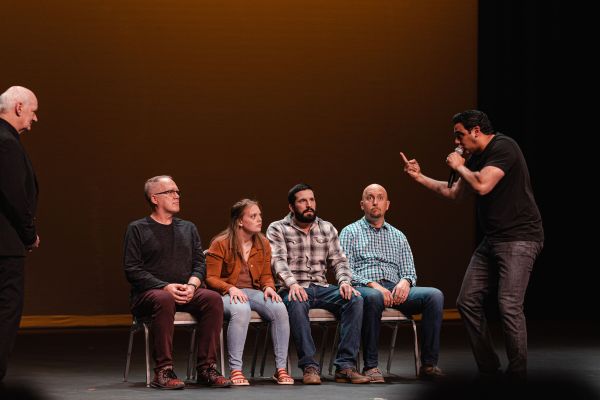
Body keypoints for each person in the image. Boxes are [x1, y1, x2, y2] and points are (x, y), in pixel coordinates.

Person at [400, 110, 544, 380]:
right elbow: (454, 193)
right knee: (467, 302)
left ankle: (518, 375)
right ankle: (489, 368)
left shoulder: (504, 147)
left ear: (476, 130)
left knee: (509, 304)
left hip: (520, 238)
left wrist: (458, 165)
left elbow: (482, 185)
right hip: (493, 239)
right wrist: (419, 177)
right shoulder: (475, 158)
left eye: (460, 135)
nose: (456, 141)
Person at [123, 175, 231, 390]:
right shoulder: (137, 229)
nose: (177, 196)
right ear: (155, 198)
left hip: (185, 290)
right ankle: (163, 371)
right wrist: (165, 286)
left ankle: (206, 368)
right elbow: (132, 269)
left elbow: (200, 263)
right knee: (163, 299)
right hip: (150, 295)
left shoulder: (188, 228)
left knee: (212, 299)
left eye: (178, 192)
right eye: (170, 192)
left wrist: (192, 285)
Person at [339, 184, 444, 382]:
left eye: (380, 198)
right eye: (370, 198)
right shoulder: (350, 232)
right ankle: (371, 366)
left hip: (395, 290)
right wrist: (373, 284)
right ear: (362, 204)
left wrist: (405, 281)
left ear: (387, 205)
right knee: (373, 297)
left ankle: (429, 364)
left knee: (434, 295)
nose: (375, 201)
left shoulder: (398, 236)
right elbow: (345, 271)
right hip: (366, 288)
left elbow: (410, 272)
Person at [266, 183, 370, 385]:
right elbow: (277, 261)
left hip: (321, 288)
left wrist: (344, 282)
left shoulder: (327, 228)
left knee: (355, 299)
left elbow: (339, 261)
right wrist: (293, 284)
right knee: (296, 303)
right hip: (292, 288)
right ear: (291, 207)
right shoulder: (278, 228)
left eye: (312, 200)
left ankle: (345, 366)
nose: (309, 205)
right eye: (303, 201)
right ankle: (309, 367)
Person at [205, 199, 293, 386]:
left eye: (259, 215)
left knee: (279, 308)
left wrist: (269, 286)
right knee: (241, 310)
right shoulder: (220, 243)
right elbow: (210, 278)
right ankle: (236, 370)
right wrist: (230, 288)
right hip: (225, 294)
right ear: (239, 221)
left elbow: (266, 275)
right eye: (253, 216)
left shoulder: (263, 242)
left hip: (252, 292)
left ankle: (280, 369)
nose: (259, 219)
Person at [0, 86, 40, 382]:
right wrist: (29, 234)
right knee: (6, 309)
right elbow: (14, 196)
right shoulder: (6, 142)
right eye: (32, 110)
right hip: (4, 244)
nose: (34, 118)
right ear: (18, 108)